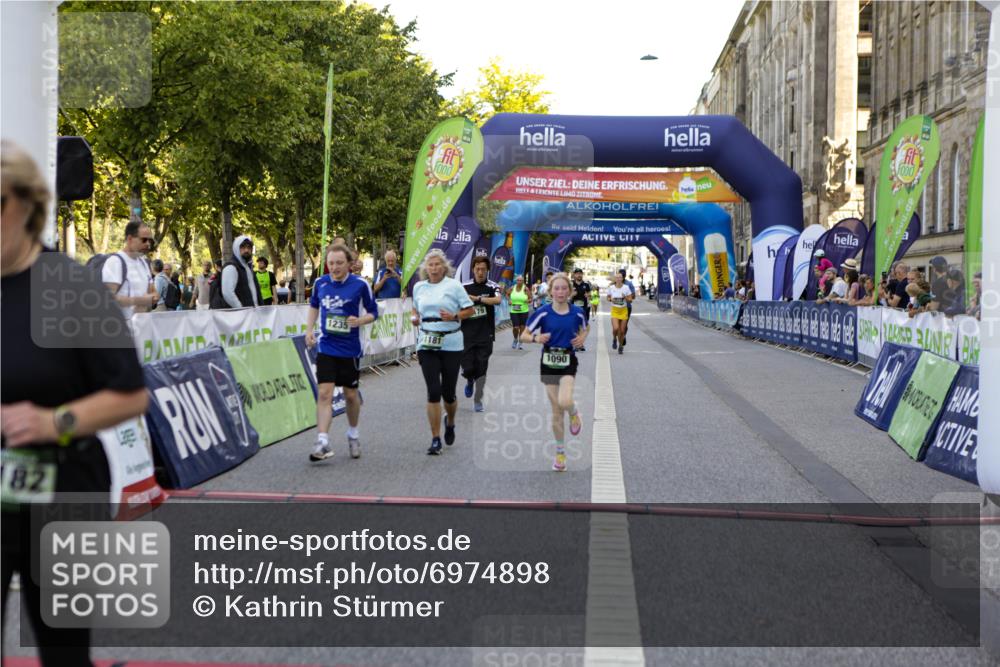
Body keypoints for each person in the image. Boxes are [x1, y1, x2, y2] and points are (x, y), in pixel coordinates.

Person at [2, 141, 149, 667]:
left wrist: (54, 421)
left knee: (63, 652)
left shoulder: (69, 286)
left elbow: (131, 394)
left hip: (64, 488)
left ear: (26, 204)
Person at [305, 244, 379, 462]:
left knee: (350, 396)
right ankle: (322, 441)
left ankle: (353, 433)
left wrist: (360, 320)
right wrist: (309, 330)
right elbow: (314, 305)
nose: (334, 267)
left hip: (350, 349)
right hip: (326, 346)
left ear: (349, 264)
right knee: (325, 393)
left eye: (339, 263)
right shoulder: (320, 283)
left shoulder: (360, 284)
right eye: (331, 263)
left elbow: (374, 312)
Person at [520, 273, 589, 472]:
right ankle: (560, 453)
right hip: (548, 362)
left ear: (570, 291)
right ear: (550, 292)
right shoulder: (542, 313)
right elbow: (524, 335)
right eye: (556, 288)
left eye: (564, 288)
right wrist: (536, 338)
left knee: (565, 401)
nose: (560, 292)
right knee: (556, 410)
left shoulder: (577, 313)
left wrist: (582, 338)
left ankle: (574, 414)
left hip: (568, 360)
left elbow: (585, 328)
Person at [411, 249, 474, 455]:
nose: (434, 268)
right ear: (426, 268)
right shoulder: (419, 287)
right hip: (427, 342)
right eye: (430, 265)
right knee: (433, 391)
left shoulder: (454, 286)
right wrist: (414, 318)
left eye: (437, 264)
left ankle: (451, 421)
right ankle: (435, 438)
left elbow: (470, 310)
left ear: (444, 267)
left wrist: (455, 315)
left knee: (448, 393)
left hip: (451, 343)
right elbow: (415, 308)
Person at [461, 255, 503, 412]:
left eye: (483, 269)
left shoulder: (493, 286)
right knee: (467, 368)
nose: (480, 272)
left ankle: (478, 399)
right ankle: (469, 380)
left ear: (488, 271)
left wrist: (477, 299)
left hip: (485, 334)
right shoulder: (464, 286)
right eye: (477, 269)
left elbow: (497, 300)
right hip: (466, 333)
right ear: (473, 269)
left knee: (481, 368)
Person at [101, 220, 157, 317]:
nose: (148, 244)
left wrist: (150, 299)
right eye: (144, 240)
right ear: (130, 239)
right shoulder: (115, 262)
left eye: (150, 241)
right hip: (119, 324)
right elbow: (107, 298)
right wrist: (140, 301)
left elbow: (154, 293)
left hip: (140, 324)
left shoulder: (143, 263)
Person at [216, 235, 262, 309]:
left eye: (249, 247)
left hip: (252, 312)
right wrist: (242, 310)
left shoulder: (248, 267)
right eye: (243, 247)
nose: (246, 250)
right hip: (241, 314)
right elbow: (228, 293)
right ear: (236, 248)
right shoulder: (231, 267)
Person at [608, 272, 633, 353]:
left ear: (622, 279)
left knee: (622, 331)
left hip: (623, 311)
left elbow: (630, 300)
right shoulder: (611, 288)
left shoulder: (626, 288)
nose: (618, 279)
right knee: (616, 328)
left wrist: (625, 297)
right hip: (615, 310)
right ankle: (614, 339)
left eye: (620, 277)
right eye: (617, 277)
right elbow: (608, 297)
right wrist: (611, 299)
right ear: (615, 279)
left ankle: (621, 346)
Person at [570, 268, 592, 351]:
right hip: (573, 308)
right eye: (577, 273)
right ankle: (578, 344)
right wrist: (572, 295)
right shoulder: (571, 284)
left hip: (584, 308)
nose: (579, 275)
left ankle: (580, 344)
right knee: (576, 326)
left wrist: (588, 295)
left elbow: (590, 295)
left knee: (583, 326)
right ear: (574, 275)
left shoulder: (586, 285)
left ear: (582, 275)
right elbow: (566, 295)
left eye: (580, 273)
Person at [507, 273, 531, 349]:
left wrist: (528, 301)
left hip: (524, 310)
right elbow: (507, 294)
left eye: (521, 280)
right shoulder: (512, 288)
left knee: (522, 327)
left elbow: (530, 298)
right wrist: (509, 300)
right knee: (516, 327)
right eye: (518, 280)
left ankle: (520, 341)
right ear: (516, 281)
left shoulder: (525, 289)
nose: (519, 282)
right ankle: (515, 339)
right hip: (514, 310)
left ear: (523, 281)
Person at [619, 269, 636, 348]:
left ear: (625, 276)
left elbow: (633, 296)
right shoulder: (615, 283)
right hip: (617, 307)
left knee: (624, 324)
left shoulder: (629, 284)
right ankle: (621, 337)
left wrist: (626, 296)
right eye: (620, 275)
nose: (621, 277)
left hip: (627, 307)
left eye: (623, 275)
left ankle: (623, 336)